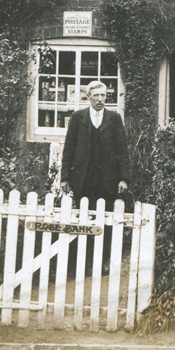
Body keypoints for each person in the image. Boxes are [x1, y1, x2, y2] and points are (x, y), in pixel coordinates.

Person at [61, 81, 131, 271]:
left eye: (103, 95)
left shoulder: (114, 119)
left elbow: (122, 151)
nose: (100, 99)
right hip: (83, 179)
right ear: (88, 97)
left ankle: (102, 262)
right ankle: (84, 262)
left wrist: (123, 178)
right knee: (83, 221)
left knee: (106, 222)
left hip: (107, 180)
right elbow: (69, 149)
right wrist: (65, 177)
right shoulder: (77, 118)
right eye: (96, 96)